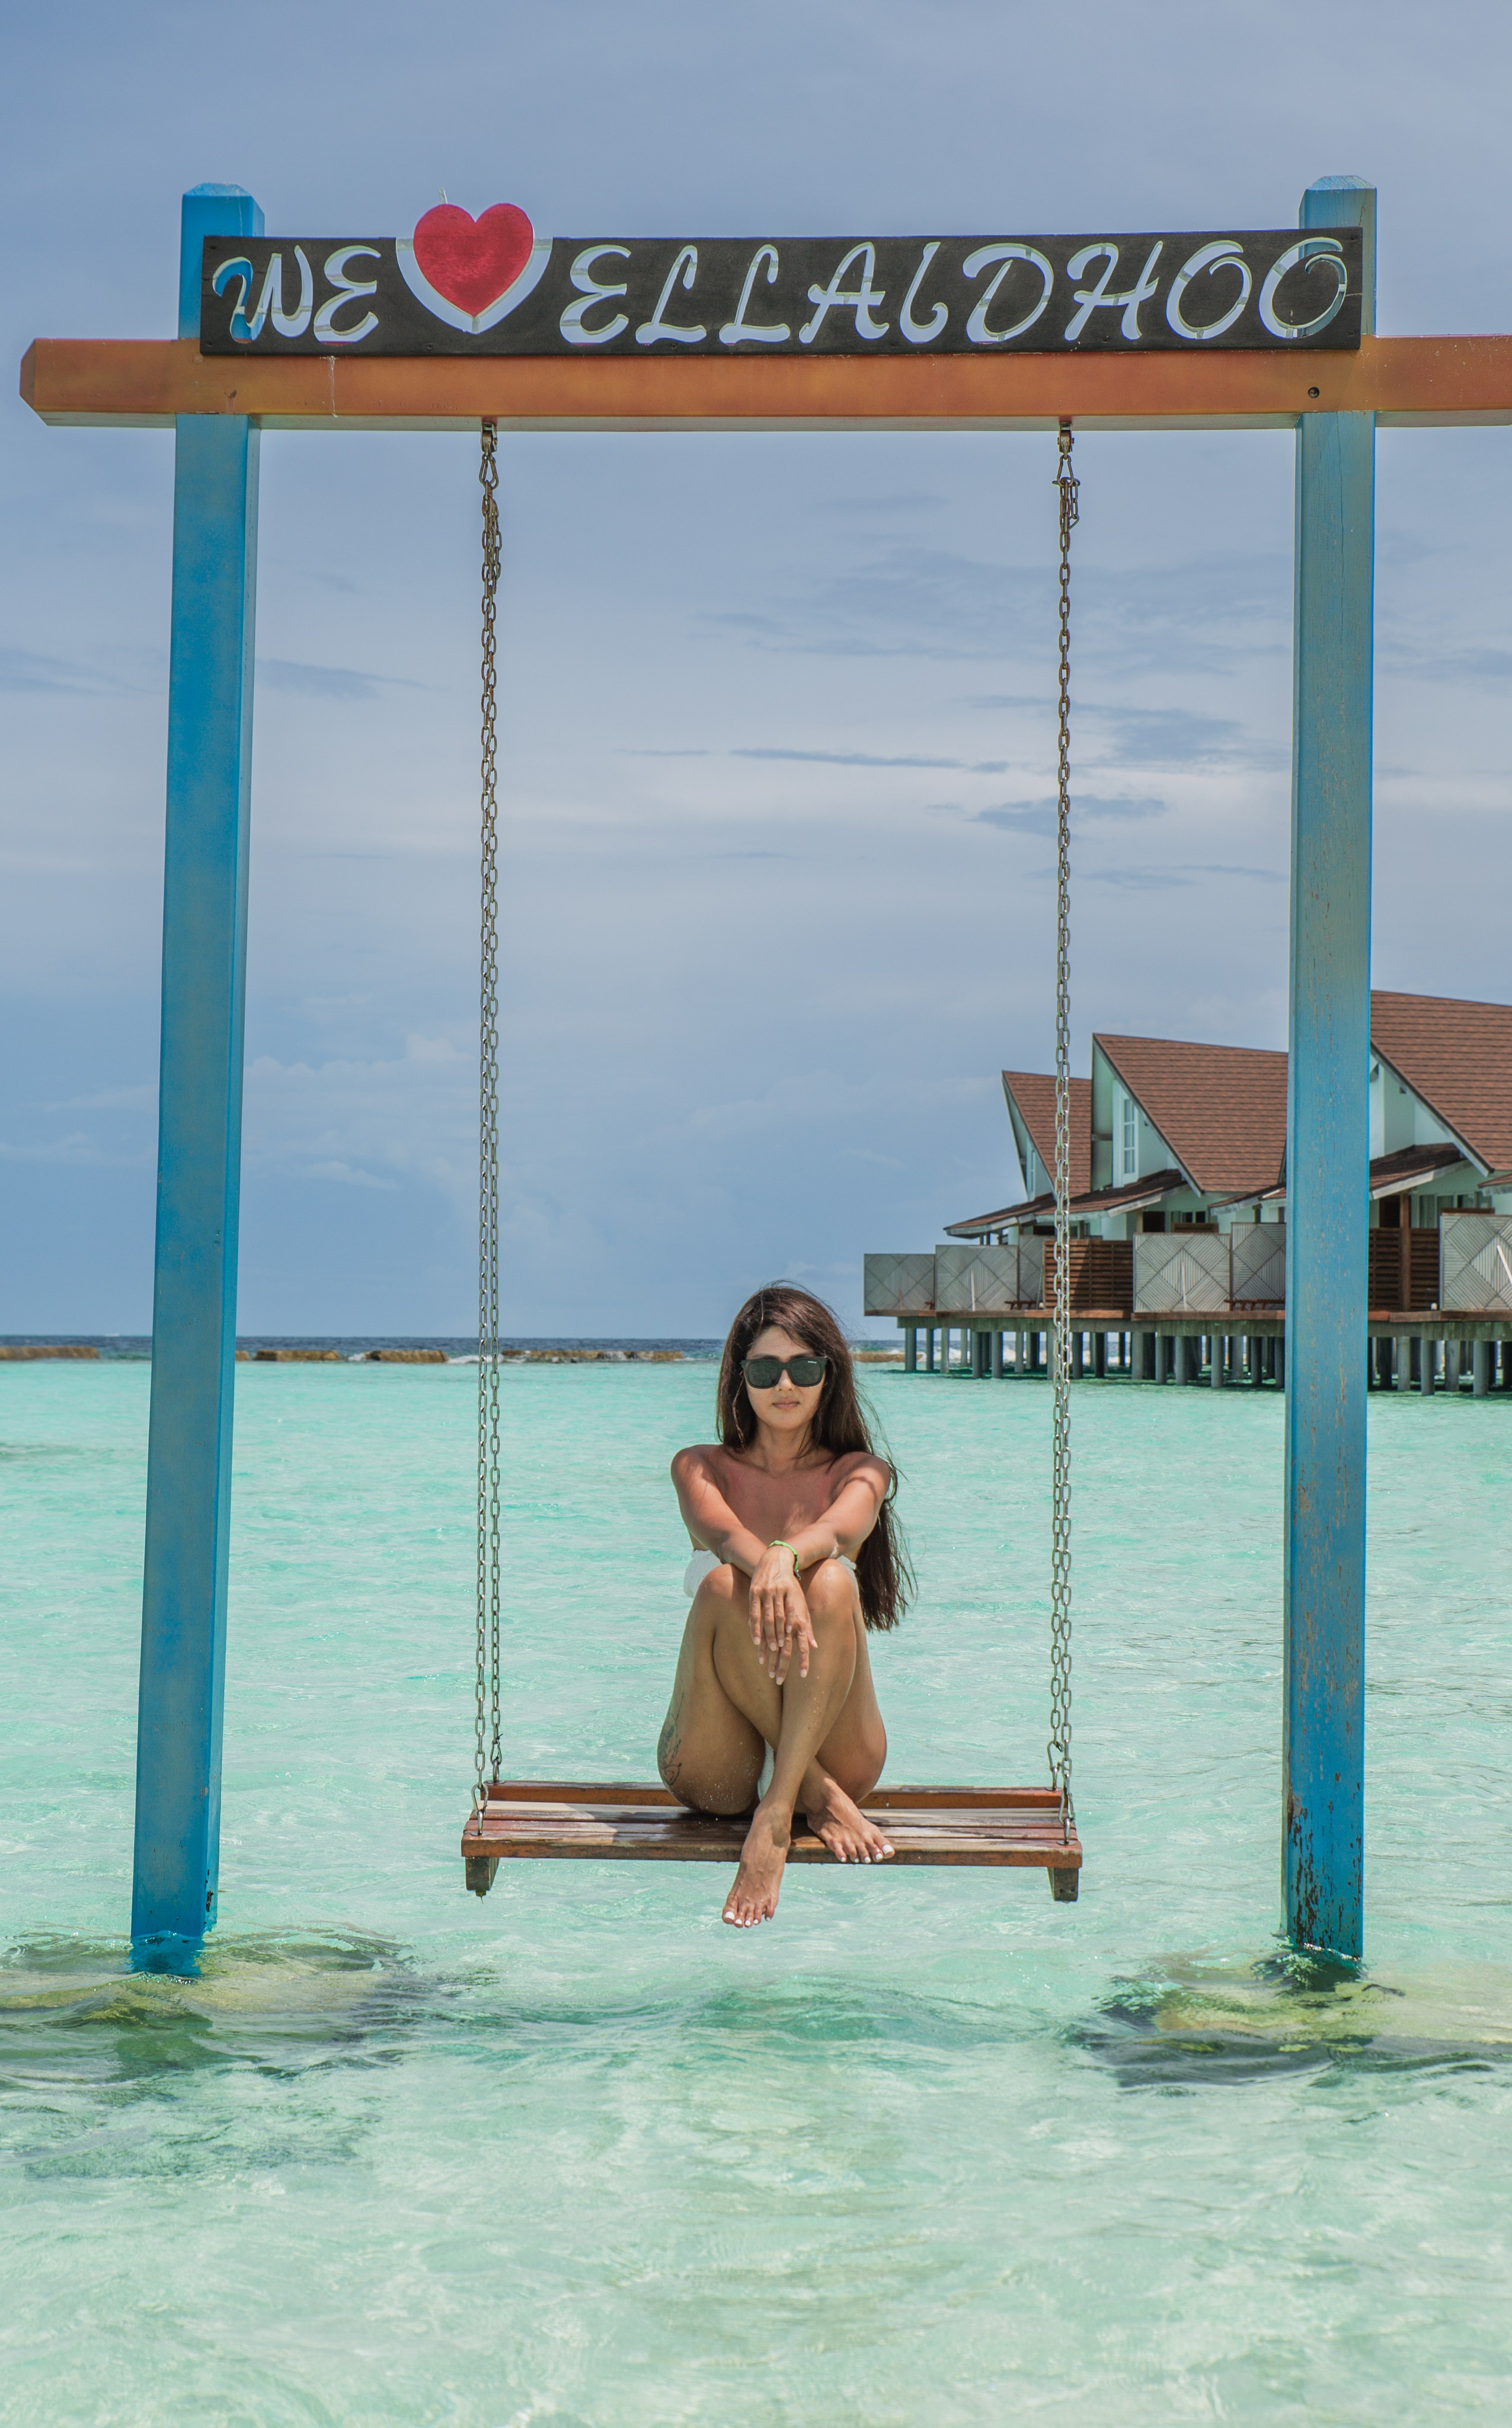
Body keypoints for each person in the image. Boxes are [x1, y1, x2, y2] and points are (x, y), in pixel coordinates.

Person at [661, 1283, 912, 1927]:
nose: (784, 1384)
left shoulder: (861, 1470)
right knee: (722, 1585)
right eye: (764, 1369)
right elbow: (720, 1536)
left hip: (837, 1743)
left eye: (803, 1367)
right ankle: (809, 1795)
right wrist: (764, 1558)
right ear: (738, 1378)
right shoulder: (698, 1466)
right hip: (717, 1762)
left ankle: (780, 1811)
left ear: (829, 1374)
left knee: (830, 1581)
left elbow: (840, 1530)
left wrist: (785, 1556)